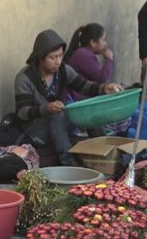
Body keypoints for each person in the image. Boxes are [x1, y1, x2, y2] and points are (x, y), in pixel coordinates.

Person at [13, 30, 123, 165]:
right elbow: (22, 112)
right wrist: (46, 108)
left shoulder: (63, 70)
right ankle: (68, 161)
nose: (58, 61)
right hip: (37, 130)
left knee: (88, 111)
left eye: (60, 56)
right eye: (52, 57)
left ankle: (105, 153)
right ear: (40, 58)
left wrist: (104, 88)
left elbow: (84, 86)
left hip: (58, 123)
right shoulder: (24, 78)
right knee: (57, 118)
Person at [65, 23, 114, 101]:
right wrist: (109, 59)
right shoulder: (84, 55)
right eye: (104, 40)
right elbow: (101, 78)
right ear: (93, 42)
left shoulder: (83, 52)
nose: (105, 44)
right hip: (78, 101)